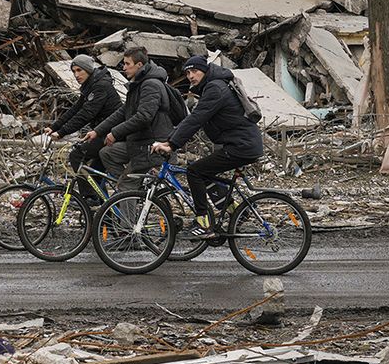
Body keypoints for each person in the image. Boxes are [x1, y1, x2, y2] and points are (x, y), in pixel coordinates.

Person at [151, 55, 263, 240]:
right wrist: (170, 140)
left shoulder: (215, 88)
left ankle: (204, 223)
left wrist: (172, 144)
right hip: (241, 144)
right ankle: (236, 211)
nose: (191, 76)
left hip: (241, 146)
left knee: (194, 171)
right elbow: (193, 118)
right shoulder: (213, 86)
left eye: (195, 71)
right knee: (204, 173)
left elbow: (197, 119)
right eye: (187, 73)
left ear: (205, 70)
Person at [85, 47, 173, 184]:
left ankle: (129, 190)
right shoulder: (138, 84)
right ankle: (134, 191)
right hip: (138, 143)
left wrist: (115, 133)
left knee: (126, 185)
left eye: (127, 64)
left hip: (151, 145)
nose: (124, 68)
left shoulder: (151, 84)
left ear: (139, 65)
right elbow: (122, 112)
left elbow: (143, 117)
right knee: (106, 153)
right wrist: (97, 131)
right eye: (123, 64)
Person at [45, 55, 122, 171]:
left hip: (111, 132)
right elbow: (76, 109)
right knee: (95, 174)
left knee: (76, 156)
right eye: (73, 71)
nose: (76, 75)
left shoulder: (100, 86)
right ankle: (94, 189)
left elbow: (86, 114)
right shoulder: (90, 85)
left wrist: (62, 132)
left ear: (88, 69)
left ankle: (86, 190)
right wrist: (54, 127)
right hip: (103, 131)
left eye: (79, 70)